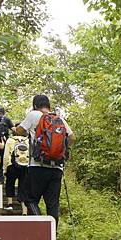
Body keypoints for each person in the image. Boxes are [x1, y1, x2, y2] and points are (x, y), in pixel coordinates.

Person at [15, 95, 75, 224]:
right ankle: (52, 235)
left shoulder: (33, 115)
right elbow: (72, 137)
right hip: (57, 168)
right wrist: (62, 150)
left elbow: (19, 131)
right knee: (52, 203)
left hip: (37, 166)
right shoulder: (59, 119)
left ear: (35, 105)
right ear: (49, 105)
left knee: (30, 199)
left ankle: (40, 229)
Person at [3, 127, 29, 215]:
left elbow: (6, 156)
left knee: (10, 184)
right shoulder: (28, 140)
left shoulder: (10, 140)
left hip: (12, 165)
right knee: (23, 187)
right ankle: (24, 210)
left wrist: (4, 168)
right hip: (25, 166)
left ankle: (10, 204)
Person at [0, 106, 14, 182]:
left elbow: (13, 128)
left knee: (4, 159)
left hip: (5, 142)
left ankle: (1, 176)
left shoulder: (7, 120)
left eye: (1, 113)